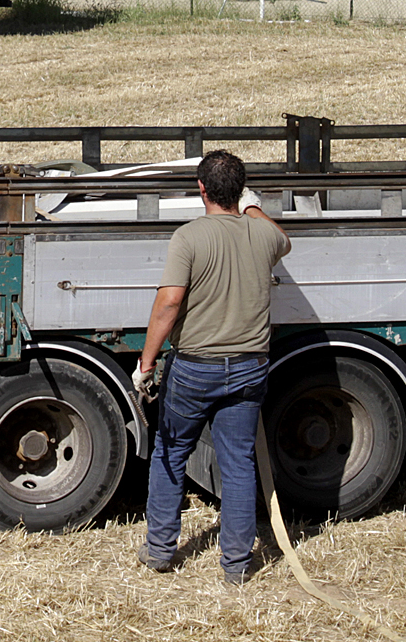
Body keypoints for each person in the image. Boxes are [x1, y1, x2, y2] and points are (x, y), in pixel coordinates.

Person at [134, 149, 290, 585]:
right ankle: (237, 567)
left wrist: (146, 363)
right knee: (239, 463)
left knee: (170, 452)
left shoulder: (188, 237)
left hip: (195, 367)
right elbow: (284, 238)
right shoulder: (263, 237)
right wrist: (253, 206)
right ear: (239, 193)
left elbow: (168, 303)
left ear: (200, 190)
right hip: (249, 368)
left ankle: (161, 550)